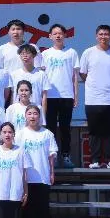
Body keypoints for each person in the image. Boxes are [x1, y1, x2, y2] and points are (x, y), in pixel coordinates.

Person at [79, 24, 110, 169]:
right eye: (101, 34)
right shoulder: (88, 52)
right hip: (93, 99)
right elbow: (83, 73)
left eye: (106, 34)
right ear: (96, 36)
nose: (103, 37)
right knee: (94, 130)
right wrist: (95, 86)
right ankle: (95, 160)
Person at [16, 105, 58, 218]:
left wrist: (52, 172)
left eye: (35, 113)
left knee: (42, 207)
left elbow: (51, 155)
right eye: (29, 113)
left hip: (42, 176)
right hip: (26, 177)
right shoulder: (20, 134)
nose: (32, 116)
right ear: (25, 116)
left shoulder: (47, 134)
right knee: (26, 206)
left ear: (39, 116)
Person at [42, 24, 80, 169]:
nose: (58, 36)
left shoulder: (71, 52)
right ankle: (52, 156)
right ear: (50, 36)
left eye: (60, 33)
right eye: (55, 33)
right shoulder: (45, 54)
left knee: (65, 127)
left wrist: (75, 95)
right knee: (50, 128)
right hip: (50, 96)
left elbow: (75, 77)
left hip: (66, 96)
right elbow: (42, 77)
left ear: (65, 35)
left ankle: (65, 155)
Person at [8, 44, 48, 119]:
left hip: (34, 114)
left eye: (28, 53)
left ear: (34, 55)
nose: (25, 56)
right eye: (22, 53)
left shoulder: (41, 74)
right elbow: (13, 95)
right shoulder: (14, 74)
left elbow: (44, 97)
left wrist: (43, 117)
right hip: (18, 114)